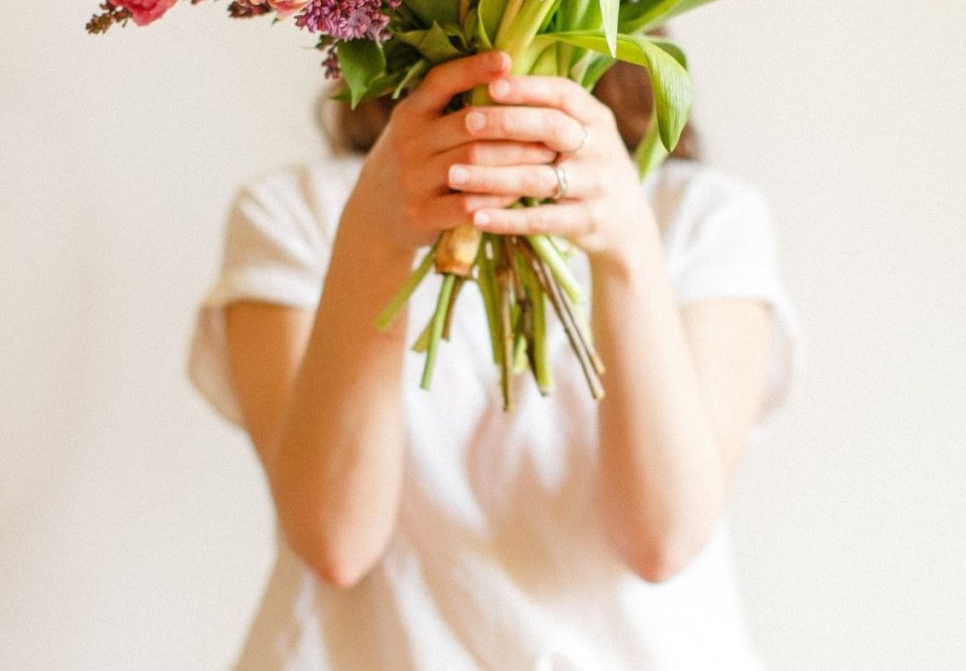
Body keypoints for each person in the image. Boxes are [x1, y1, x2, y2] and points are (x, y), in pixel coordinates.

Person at [187, 49, 801, 669]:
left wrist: (626, 245)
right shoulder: (296, 212)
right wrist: (374, 236)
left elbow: (662, 540)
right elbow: (335, 542)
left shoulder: (705, 218)